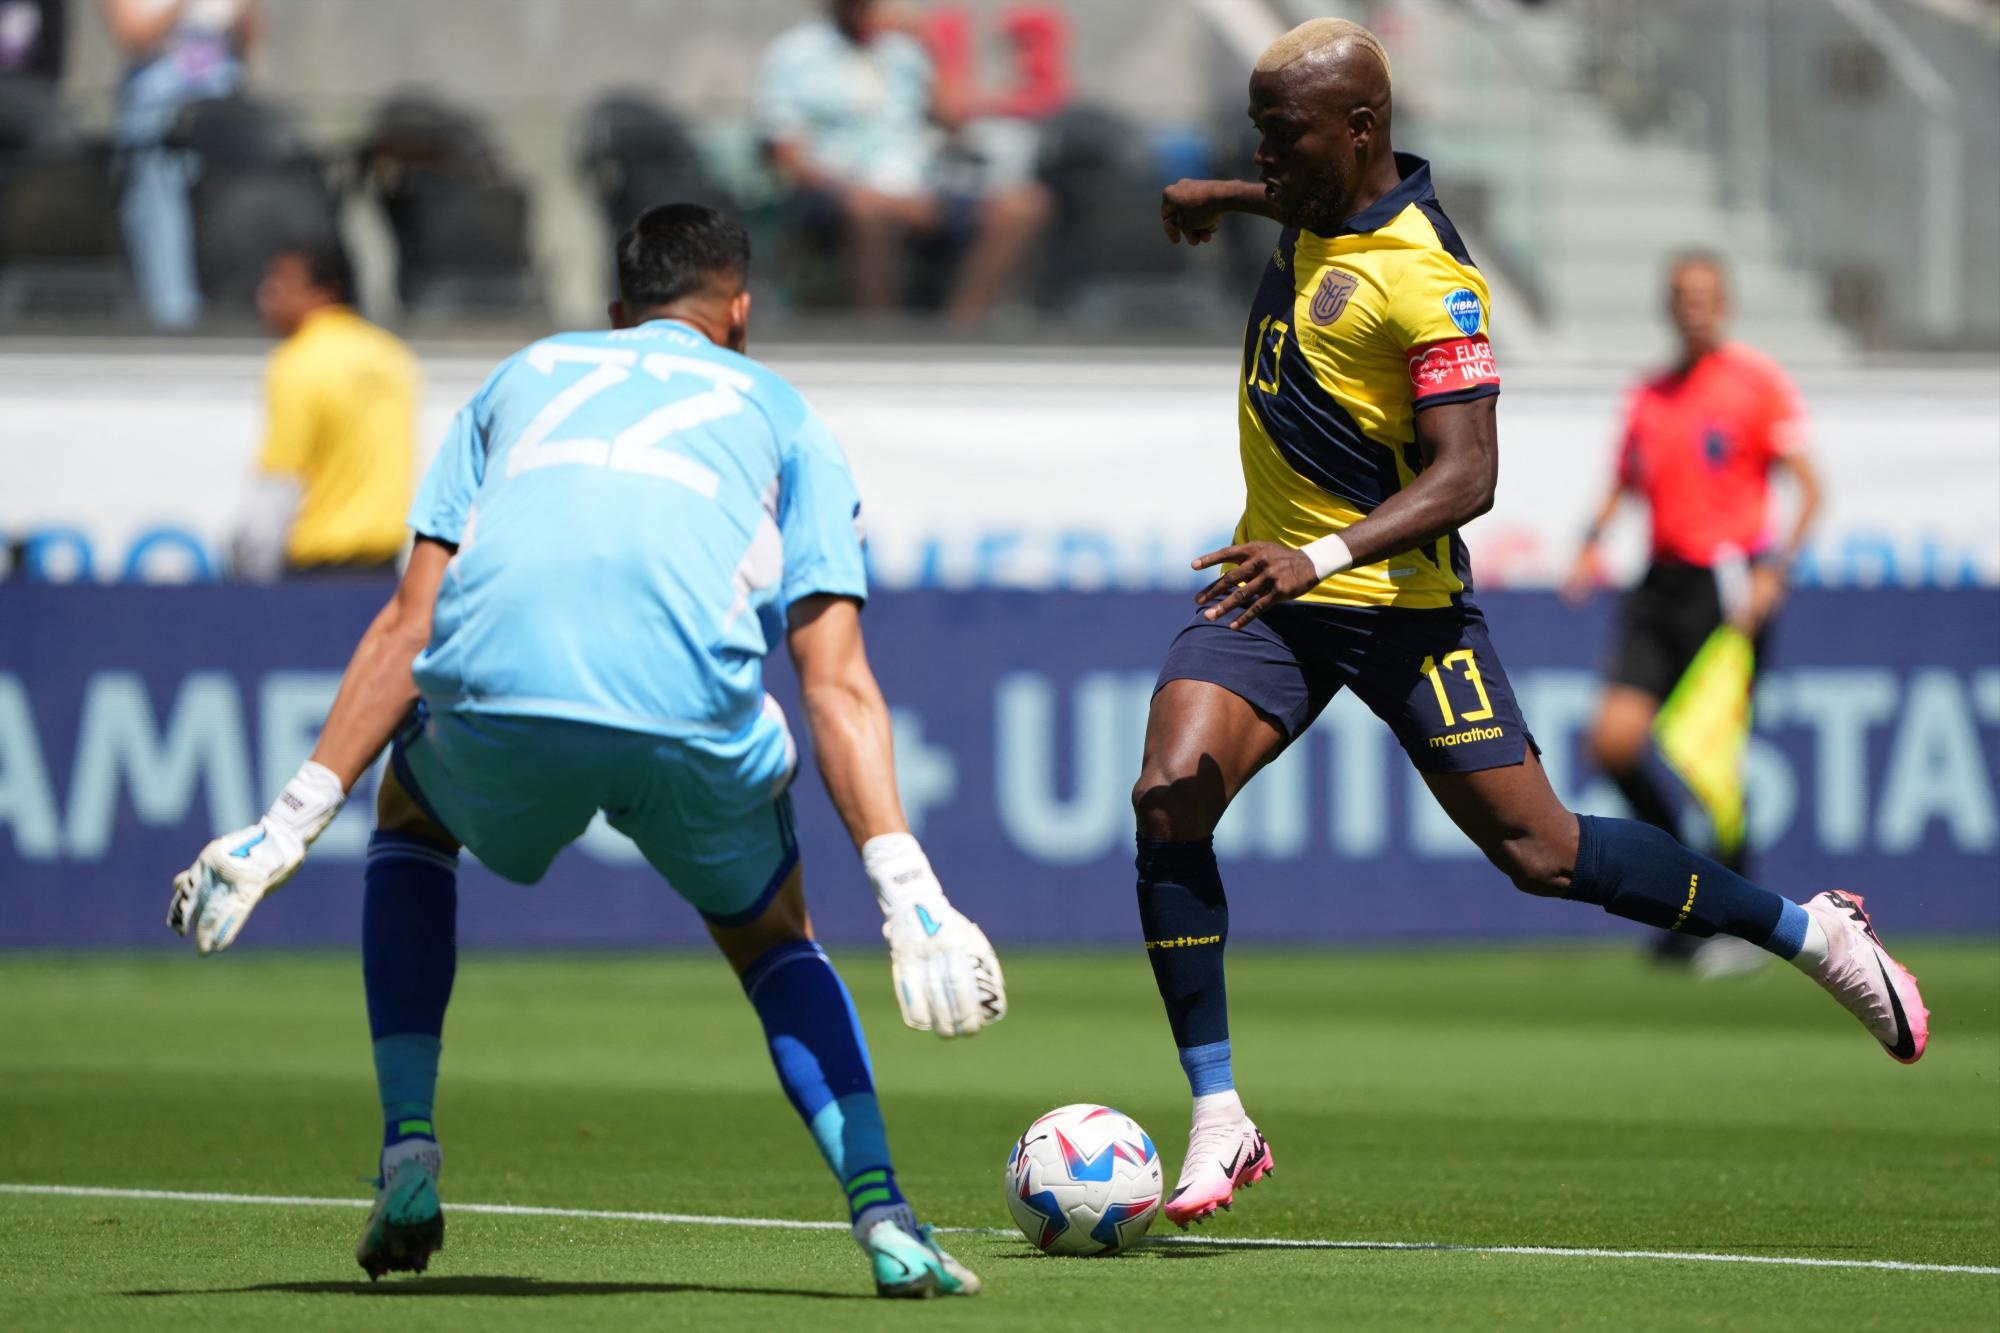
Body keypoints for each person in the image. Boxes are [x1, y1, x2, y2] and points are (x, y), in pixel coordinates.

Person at [1142, 18, 1926, 1230]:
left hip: (1397, 608)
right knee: (1167, 797)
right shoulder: (1317, 195)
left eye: (1277, 135)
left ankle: (1809, 932)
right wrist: (1222, 197)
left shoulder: (1430, 277)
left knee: (1541, 854)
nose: (1262, 155)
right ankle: (1217, 1115)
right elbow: (1299, 199)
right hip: (1275, 603)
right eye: (1256, 134)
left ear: (1359, 129)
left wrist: (1320, 554)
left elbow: (1469, 475)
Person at [167, 204, 1004, 1298]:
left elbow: (409, 626)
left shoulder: (517, 376)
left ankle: (408, 1145)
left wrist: (287, 822)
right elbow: (834, 678)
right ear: (740, 312)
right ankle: (884, 1216)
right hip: (687, 711)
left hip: (503, 694)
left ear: (617, 314)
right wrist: (908, 887)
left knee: (412, 816)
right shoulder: (784, 411)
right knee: (772, 940)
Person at [1564, 252, 1823, 969]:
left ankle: (1743, 928)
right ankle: (1685, 878)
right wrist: (1589, 544)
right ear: (1669, 305)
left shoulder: (1755, 384)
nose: (1693, 306)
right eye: (1682, 294)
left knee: (1712, 757)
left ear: (1725, 304)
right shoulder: (1650, 393)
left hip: (1727, 584)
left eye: (1706, 294)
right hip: (1660, 583)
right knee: (1612, 743)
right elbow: (1623, 482)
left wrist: (1775, 571)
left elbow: (1810, 488)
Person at [754, 0, 1049, 326]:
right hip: (841, 186)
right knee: (870, 210)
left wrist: (929, 41)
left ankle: (962, 329)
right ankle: (884, 332)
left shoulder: (904, 50)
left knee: (1022, 207)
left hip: (920, 182)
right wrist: (855, 191)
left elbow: (953, 120)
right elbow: (785, 152)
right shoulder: (795, 54)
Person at [232, 241, 419, 580]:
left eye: (280, 284)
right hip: (384, 569)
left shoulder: (297, 362)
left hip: (319, 569)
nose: (266, 296)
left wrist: (252, 574)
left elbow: (280, 482)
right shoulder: (390, 355)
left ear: (326, 292)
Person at [100, 0, 259, 328]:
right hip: (159, 104)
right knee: (159, 207)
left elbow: (251, 39)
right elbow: (133, 37)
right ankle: (173, 313)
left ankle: (234, 302)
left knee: (230, 206)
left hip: (220, 101)